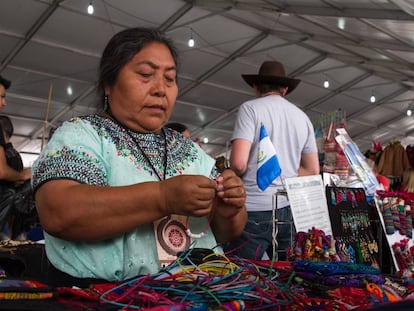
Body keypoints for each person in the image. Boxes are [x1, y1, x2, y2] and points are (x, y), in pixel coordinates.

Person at [31, 27, 247, 287]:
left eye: (170, 79)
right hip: (108, 297)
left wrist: (228, 210)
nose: (160, 89)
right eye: (146, 75)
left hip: (200, 292)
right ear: (109, 83)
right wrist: (163, 197)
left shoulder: (189, 150)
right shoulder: (82, 135)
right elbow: (59, 212)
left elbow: (226, 232)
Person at [224, 61, 320, 261]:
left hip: (253, 209)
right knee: (289, 280)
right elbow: (312, 171)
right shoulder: (302, 118)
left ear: (255, 87)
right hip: (288, 208)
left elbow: (239, 163)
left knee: (242, 279)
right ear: (285, 90)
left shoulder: (250, 109)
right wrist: (287, 170)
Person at [0, 115, 33, 239]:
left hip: (6, 216)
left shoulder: (8, 155)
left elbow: (4, 173)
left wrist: (21, 176)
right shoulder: (14, 154)